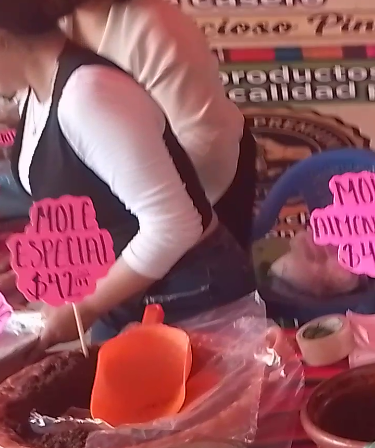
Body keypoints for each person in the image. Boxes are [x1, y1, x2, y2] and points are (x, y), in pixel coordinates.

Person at [0, 2, 255, 349]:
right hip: (129, 293)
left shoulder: (87, 96)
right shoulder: (36, 94)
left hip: (187, 292)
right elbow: (94, 201)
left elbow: (175, 225)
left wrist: (86, 307)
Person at [58, 0, 257, 250]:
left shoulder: (157, 29)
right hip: (128, 191)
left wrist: (119, 206)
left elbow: (204, 146)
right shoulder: (56, 19)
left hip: (203, 186)